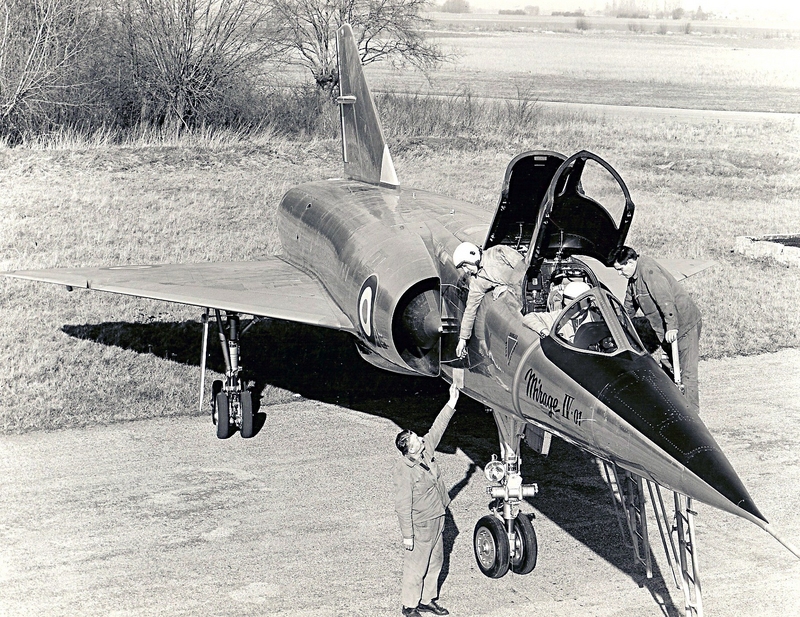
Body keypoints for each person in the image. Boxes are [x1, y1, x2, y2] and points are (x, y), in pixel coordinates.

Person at [393, 383, 460, 617]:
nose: (422, 439)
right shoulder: (404, 470)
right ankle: (409, 606)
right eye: (417, 440)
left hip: (438, 517)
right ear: (410, 451)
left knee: (435, 560)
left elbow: (437, 429)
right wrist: (407, 536)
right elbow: (402, 506)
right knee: (416, 566)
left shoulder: (425, 451)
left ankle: (426, 600)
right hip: (421, 524)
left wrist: (451, 402)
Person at [613, 246, 702, 412]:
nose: (619, 274)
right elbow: (629, 305)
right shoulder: (633, 278)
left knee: (687, 374)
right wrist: (616, 324)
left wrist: (672, 327)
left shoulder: (649, 271)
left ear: (630, 262)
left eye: (620, 269)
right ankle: (676, 406)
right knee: (672, 368)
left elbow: (665, 300)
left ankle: (692, 415)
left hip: (684, 325)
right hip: (666, 329)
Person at [453, 242, 523, 358]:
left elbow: (524, 268)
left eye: (465, 265)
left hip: (526, 292)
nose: (465, 270)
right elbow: (470, 310)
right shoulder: (477, 281)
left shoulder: (498, 253)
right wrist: (462, 339)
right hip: (513, 306)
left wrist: (509, 287)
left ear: (473, 256)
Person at [522, 280, 592, 339]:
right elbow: (528, 318)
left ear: (584, 306)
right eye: (565, 305)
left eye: (571, 307)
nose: (567, 310)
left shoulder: (595, 319)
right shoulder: (557, 317)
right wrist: (544, 331)